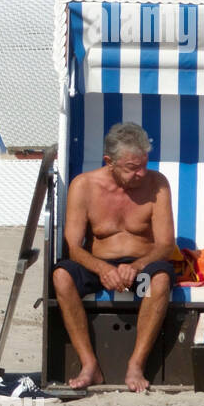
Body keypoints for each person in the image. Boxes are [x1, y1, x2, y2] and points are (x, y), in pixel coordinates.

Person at [52, 122, 175, 392]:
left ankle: (135, 365)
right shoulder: (84, 186)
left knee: (161, 280)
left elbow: (166, 245)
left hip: (141, 273)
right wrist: (102, 269)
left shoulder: (157, 184)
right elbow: (73, 247)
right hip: (98, 272)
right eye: (132, 168)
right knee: (61, 276)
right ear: (110, 162)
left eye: (144, 164)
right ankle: (89, 365)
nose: (141, 173)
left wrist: (137, 266)